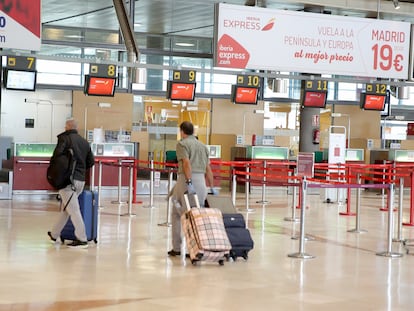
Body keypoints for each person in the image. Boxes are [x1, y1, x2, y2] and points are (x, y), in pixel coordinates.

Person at [168, 121, 217, 257]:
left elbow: (186, 163)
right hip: (201, 182)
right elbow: (208, 169)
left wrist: (189, 182)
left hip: (186, 180)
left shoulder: (182, 144)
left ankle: (177, 248)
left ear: (182, 131)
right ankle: (196, 249)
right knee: (197, 216)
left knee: (178, 214)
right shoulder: (203, 146)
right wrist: (211, 187)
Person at [47, 118, 95, 248]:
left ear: (67, 127)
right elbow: (91, 161)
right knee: (66, 208)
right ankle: (55, 233)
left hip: (67, 180)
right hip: (80, 180)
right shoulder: (84, 142)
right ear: (76, 128)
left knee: (73, 210)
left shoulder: (65, 139)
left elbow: (57, 156)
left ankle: (82, 238)